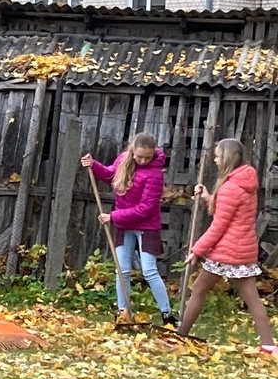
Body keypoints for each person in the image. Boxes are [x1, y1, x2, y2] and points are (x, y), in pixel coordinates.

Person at [177, 138, 276, 355]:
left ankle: (181, 334)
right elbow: (229, 210)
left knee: (198, 290)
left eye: (218, 156)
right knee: (252, 299)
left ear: (227, 158)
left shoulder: (231, 187)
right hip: (243, 249)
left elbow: (218, 226)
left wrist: (197, 250)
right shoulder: (245, 182)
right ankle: (269, 346)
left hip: (227, 251)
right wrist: (208, 197)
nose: (215, 160)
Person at [81, 132, 176, 327]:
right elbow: (109, 174)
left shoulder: (155, 173)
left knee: (149, 270)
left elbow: (145, 208)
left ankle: (167, 314)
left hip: (146, 227)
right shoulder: (123, 159)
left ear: (153, 153)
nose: (143, 160)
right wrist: (93, 165)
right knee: (121, 269)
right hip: (124, 226)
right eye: (139, 156)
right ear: (132, 150)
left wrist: (113, 216)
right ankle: (122, 312)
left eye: (147, 157)